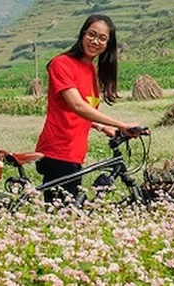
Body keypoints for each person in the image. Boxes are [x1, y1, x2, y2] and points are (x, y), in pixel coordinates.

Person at [34, 14, 142, 203]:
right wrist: (121, 124)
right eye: (92, 34)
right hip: (58, 150)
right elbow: (77, 106)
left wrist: (103, 127)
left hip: (75, 152)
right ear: (83, 34)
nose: (95, 41)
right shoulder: (61, 64)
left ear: (108, 44)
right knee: (63, 217)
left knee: (73, 211)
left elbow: (84, 110)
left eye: (102, 38)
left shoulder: (90, 68)